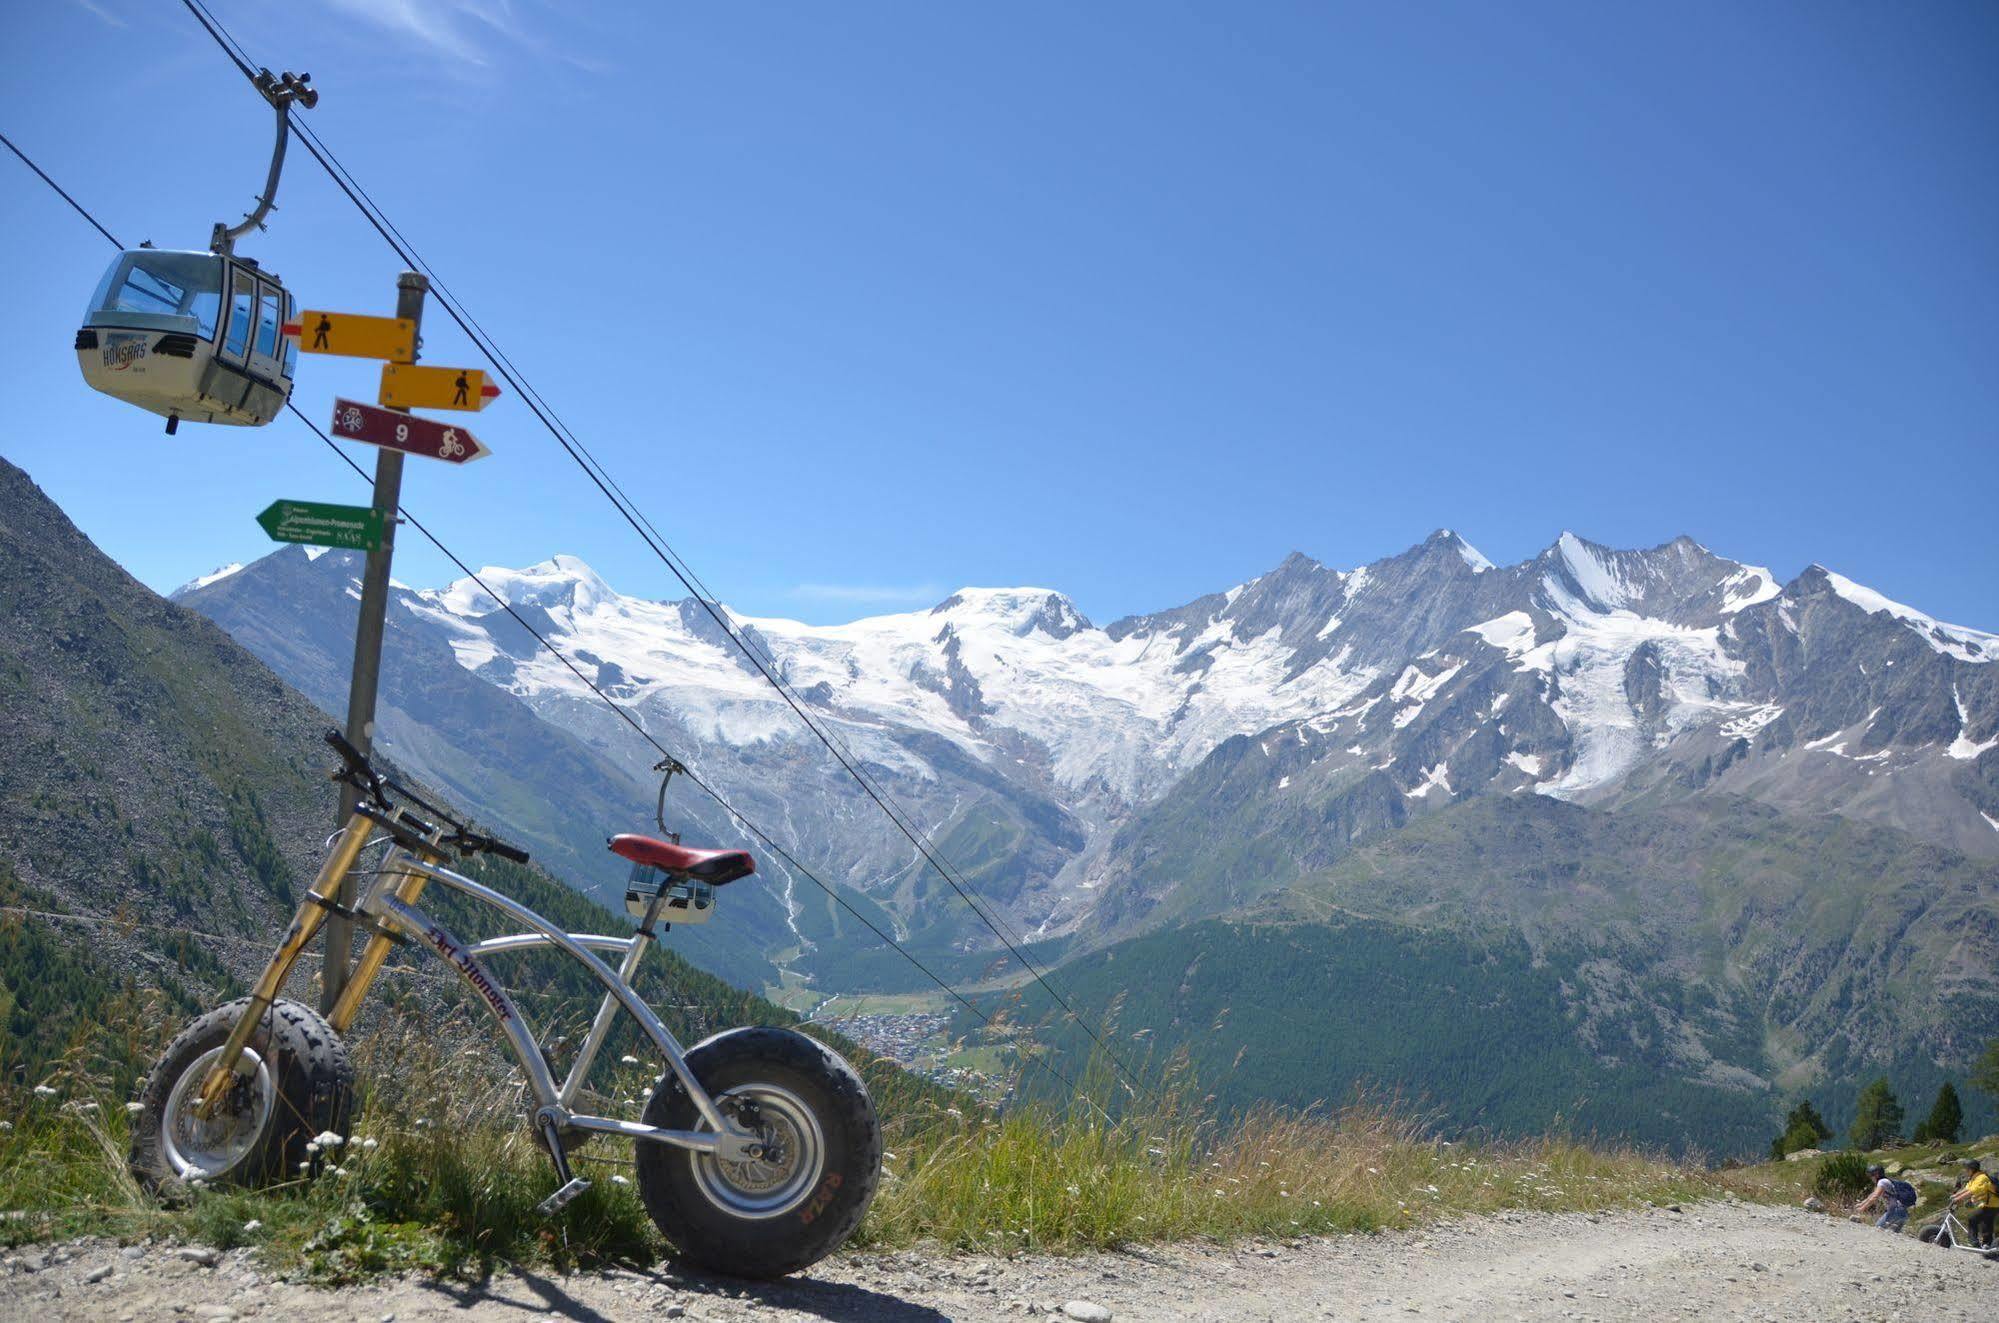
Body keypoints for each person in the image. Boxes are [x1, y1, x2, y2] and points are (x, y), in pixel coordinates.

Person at [1949, 1158, 1996, 1248]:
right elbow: (1967, 1189)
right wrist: (1955, 1196)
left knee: (1972, 1218)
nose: (1965, 1171)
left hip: (1991, 1205)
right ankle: (1987, 1245)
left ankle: (1974, 1242)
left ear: (1971, 1169)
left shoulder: (1982, 1178)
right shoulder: (1974, 1178)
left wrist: (1958, 1199)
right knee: (1986, 1223)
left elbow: (1973, 1191)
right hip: (1989, 1204)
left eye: (1966, 1169)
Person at [1855, 1163, 1916, 1232]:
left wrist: (1862, 1208)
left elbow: (1875, 1197)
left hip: (1895, 1212)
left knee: (1878, 1228)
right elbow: (1872, 1195)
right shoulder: (1887, 1181)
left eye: (1870, 1175)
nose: (1870, 1178)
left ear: (1876, 1175)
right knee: (1893, 1235)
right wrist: (1862, 1203)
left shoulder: (1882, 1182)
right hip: (1903, 1213)